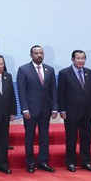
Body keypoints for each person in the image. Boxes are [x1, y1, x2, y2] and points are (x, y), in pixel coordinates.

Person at [17, 45, 59, 173]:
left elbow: (53, 90)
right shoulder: (23, 70)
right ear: (31, 55)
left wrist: (55, 108)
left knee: (44, 137)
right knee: (29, 137)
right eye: (36, 53)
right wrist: (24, 109)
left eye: (41, 53)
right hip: (30, 110)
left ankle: (43, 162)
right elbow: (22, 91)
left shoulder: (50, 70)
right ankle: (30, 163)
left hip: (46, 110)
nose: (39, 55)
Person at [58, 49, 91, 172]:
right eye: (78, 58)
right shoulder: (64, 73)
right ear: (72, 59)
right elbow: (61, 93)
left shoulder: (89, 73)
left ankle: (86, 162)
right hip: (71, 112)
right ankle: (71, 162)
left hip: (87, 112)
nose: (81, 61)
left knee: (86, 137)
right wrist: (62, 110)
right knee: (71, 138)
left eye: (83, 58)